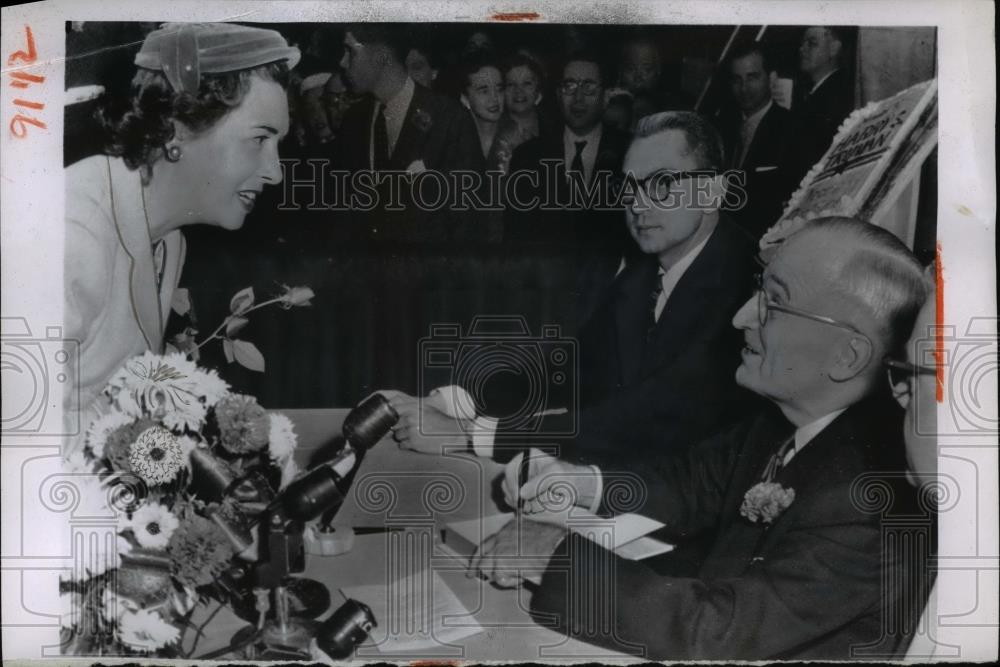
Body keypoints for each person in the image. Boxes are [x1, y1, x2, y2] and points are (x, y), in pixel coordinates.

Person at [473, 217, 930, 660]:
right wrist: (582, 482)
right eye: (758, 289)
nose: (740, 317)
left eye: (774, 303)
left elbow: (719, 632)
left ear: (847, 355)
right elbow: (690, 484)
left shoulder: (871, 502)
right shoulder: (786, 422)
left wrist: (553, 555)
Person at [380, 112, 757, 465]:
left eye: (662, 183)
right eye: (629, 186)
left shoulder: (748, 285)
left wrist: (473, 434)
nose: (638, 204)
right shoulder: (646, 271)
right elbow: (570, 369)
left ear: (712, 191)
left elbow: (651, 416)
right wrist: (456, 403)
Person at [64, 23, 299, 450]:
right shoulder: (75, 227)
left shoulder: (170, 242)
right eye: (259, 139)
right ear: (176, 130)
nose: (275, 172)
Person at [331, 24, 483, 242]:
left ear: (382, 56)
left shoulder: (449, 119)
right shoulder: (354, 120)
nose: (342, 62)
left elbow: (466, 222)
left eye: (350, 51)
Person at [504, 51, 631, 247]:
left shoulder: (631, 152)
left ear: (606, 97)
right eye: (569, 86)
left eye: (588, 87)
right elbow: (517, 240)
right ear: (557, 95)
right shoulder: (527, 156)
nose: (578, 98)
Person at [715, 44, 796, 239]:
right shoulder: (720, 126)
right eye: (737, 80)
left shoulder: (792, 128)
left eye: (752, 77)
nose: (744, 88)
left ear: (771, 79)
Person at [790, 26, 855, 183]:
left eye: (812, 43)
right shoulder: (816, 92)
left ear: (834, 49)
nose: (802, 49)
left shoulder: (838, 95)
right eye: (802, 44)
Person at [459, 53, 516, 173]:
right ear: (465, 99)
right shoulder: (454, 138)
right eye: (484, 91)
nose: (494, 98)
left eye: (499, 89)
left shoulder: (518, 135)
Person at [502, 51, 547, 151]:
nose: (519, 91)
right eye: (511, 84)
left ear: (538, 90)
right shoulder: (492, 131)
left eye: (527, 83)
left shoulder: (555, 129)